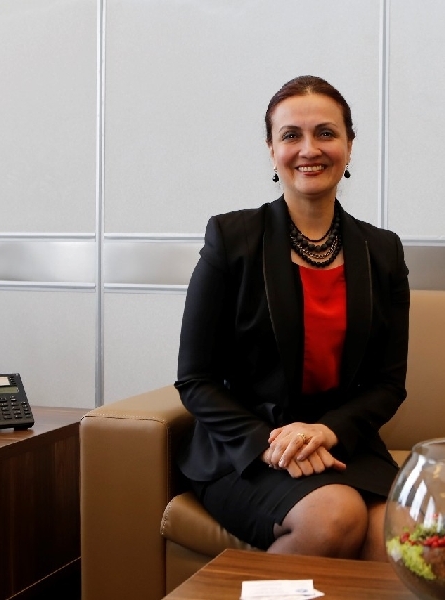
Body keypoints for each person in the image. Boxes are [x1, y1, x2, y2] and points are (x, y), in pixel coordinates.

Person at [174, 75, 409, 561]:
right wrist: (269, 443)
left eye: (326, 133)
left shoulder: (382, 251)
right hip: (245, 448)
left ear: (349, 145)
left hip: (341, 443)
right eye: (291, 135)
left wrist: (327, 431)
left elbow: (388, 384)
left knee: (400, 537)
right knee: (334, 515)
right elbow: (195, 379)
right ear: (272, 149)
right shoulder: (231, 239)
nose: (309, 149)